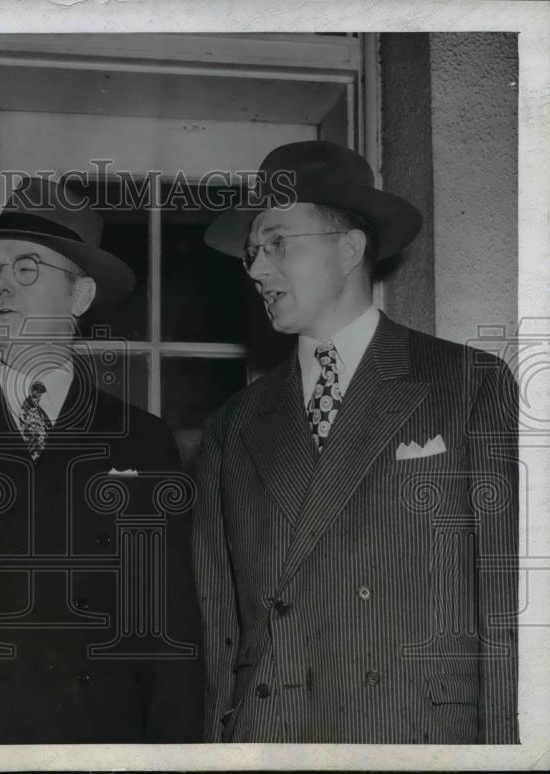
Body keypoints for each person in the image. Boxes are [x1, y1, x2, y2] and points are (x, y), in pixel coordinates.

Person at [192, 140, 519, 744]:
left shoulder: (468, 384)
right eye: (252, 253)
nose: (258, 269)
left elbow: (507, 598)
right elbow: (221, 633)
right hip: (277, 736)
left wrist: (504, 749)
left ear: (348, 249)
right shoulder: (231, 426)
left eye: (277, 244)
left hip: (416, 733)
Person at [0, 177, 202, 744]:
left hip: (93, 741)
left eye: (25, 268)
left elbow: (167, 635)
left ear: (79, 298)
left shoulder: (141, 442)